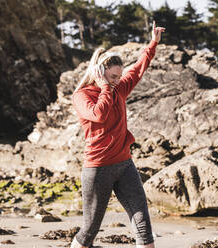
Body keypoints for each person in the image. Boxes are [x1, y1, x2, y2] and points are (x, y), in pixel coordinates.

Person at [70, 21, 165, 248]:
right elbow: (99, 115)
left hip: (124, 165)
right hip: (97, 169)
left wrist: (152, 43)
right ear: (99, 72)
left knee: (143, 226)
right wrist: (105, 88)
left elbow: (139, 68)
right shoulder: (82, 95)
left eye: (118, 76)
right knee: (89, 231)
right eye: (112, 76)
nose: (116, 81)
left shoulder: (119, 87)